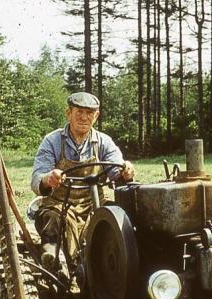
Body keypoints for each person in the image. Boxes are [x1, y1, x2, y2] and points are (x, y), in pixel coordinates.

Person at [31, 92, 135, 272]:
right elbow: (36, 180)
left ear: (96, 116)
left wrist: (125, 171)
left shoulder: (104, 141)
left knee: (118, 217)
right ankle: (53, 256)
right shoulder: (52, 141)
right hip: (59, 204)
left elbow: (115, 170)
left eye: (89, 112)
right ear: (68, 113)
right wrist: (49, 178)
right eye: (79, 112)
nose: (84, 117)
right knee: (52, 218)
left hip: (93, 204)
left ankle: (111, 267)